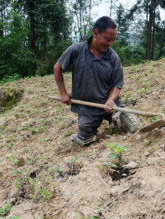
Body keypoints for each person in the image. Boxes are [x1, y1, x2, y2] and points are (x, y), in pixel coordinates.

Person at [53, 16, 139, 146]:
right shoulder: (76, 50)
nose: (110, 43)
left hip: (110, 105)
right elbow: (57, 68)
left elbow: (117, 83)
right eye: (108, 39)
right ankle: (86, 133)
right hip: (87, 108)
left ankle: (114, 121)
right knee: (86, 140)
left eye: (113, 40)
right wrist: (63, 93)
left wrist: (111, 100)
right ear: (96, 33)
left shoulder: (113, 57)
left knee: (134, 126)